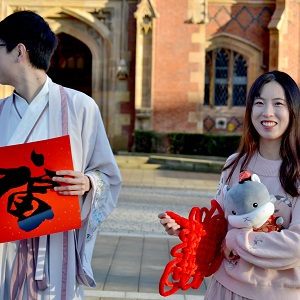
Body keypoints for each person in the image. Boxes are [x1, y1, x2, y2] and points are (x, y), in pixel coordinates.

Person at [0, 10, 122, 300]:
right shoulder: (1, 112)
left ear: (19, 52)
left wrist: (88, 184)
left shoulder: (80, 107)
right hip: (5, 247)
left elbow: (108, 176)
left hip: (55, 247)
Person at [159, 70, 300, 300]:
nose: (267, 112)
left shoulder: (297, 173)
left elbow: (296, 247)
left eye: (278, 104)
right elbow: (219, 230)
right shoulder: (234, 165)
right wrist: (189, 231)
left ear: (293, 111)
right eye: (259, 103)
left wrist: (236, 240)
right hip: (224, 290)